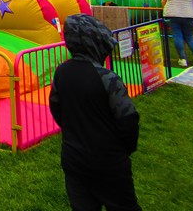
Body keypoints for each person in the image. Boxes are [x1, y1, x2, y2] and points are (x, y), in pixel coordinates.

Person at [49, 14, 141, 211]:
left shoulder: (62, 72)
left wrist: (73, 131)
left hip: (74, 157)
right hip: (108, 161)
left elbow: (56, 107)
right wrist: (125, 148)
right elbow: (128, 119)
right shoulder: (107, 78)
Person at [161, 0, 193, 67]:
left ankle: (182, 59)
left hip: (173, 14)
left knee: (177, 36)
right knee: (190, 37)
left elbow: (163, 1)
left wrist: (165, 9)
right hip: (189, 15)